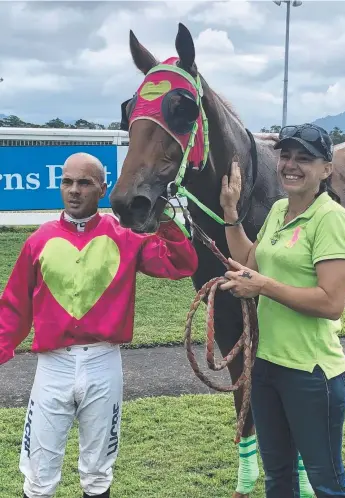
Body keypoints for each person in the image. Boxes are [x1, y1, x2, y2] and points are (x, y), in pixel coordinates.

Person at [0, 152, 198, 498]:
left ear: (103, 188)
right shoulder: (38, 241)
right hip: (53, 366)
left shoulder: (124, 236)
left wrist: (163, 215)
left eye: (84, 183)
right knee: (39, 472)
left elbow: (180, 263)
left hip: (104, 363)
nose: (74, 190)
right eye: (67, 182)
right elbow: (14, 307)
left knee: (98, 472)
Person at [219, 124, 345, 498]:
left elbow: (331, 304)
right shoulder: (280, 209)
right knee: (278, 478)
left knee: (326, 482)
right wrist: (231, 215)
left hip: (312, 375)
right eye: (286, 156)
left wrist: (262, 286)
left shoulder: (331, 219)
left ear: (326, 169)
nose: (291, 165)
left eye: (304, 158)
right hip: (267, 367)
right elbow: (250, 260)